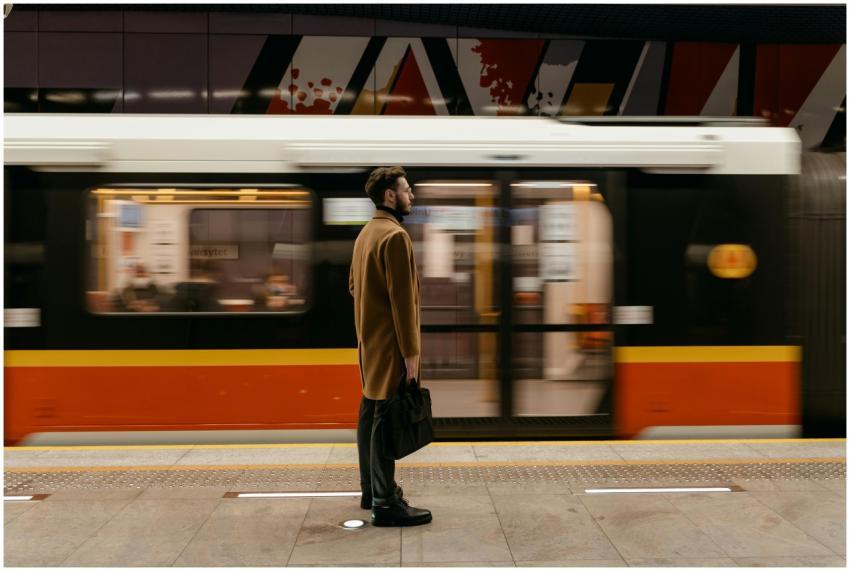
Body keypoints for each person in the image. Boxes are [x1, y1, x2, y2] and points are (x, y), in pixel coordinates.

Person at [348, 166, 432, 527]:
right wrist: (411, 356)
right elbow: (403, 304)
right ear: (389, 196)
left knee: (370, 410)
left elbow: (354, 287)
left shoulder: (366, 233)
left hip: (369, 342)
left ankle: (370, 489)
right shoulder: (395, 238)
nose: (411, 196)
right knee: (385, 417)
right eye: (406, 190)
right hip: (391, 346)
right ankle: (385, 503)